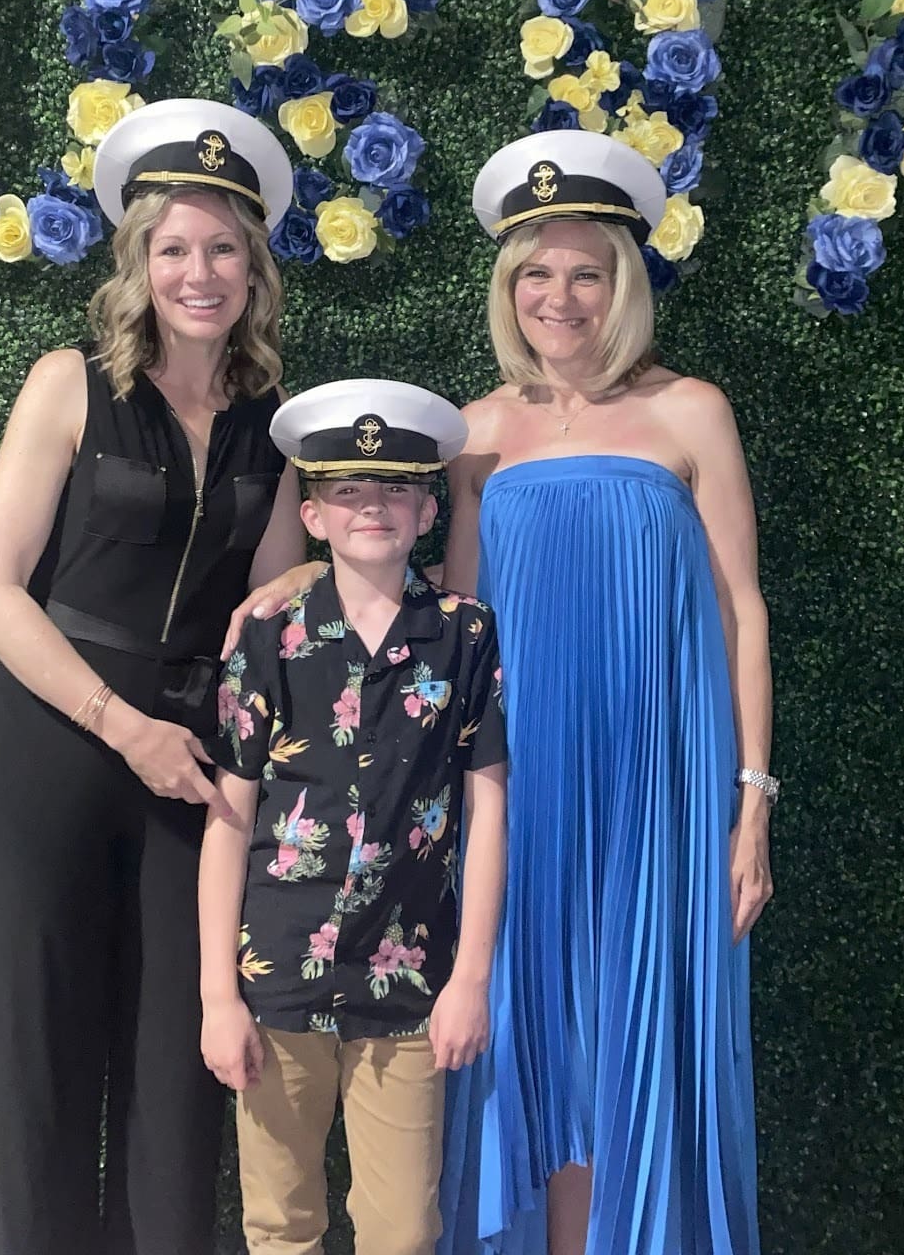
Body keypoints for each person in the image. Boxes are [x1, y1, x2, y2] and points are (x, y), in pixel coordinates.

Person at [233, 131, 774, 1255]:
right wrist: (296, 577)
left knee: (635, 1032)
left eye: (586, 273)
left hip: (658, 788)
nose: (558, 298)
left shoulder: (693, 412)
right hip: (515, 787)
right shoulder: (474, 434)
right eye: (536, 273)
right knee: (534, 1030)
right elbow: (443, 616)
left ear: (624, 283)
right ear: (506, 286)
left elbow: (741, 611)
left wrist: (750, 801)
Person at [0, 98, 308, 1255]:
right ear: (138, 261)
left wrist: (319, 576)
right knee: (41, 1063)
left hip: (194, 768)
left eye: (223, 249)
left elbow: (272, 593)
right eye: (173, 248)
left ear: (253, 269)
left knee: (177, 1070)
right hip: (54, 751)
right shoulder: (69, 383)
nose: (198, 273)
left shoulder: (273, 422)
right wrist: (122, 724)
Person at [199, 380, 509, 1255]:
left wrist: (471, 979)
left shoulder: (465, 635)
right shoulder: (270, 638)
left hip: (407, 984)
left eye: (396, 489)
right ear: (312, 515)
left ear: (426, 511)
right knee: (281, 1224)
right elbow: (228, 820)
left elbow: (488, 811)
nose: (372, 505)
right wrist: (216, 996)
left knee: (403, 1230)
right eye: (347, 490)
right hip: (276, 978)